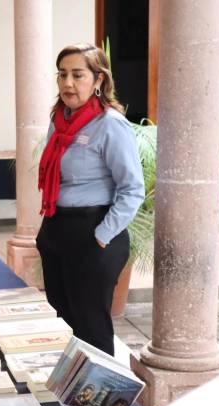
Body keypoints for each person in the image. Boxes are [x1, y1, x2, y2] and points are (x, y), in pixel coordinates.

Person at [36, 43, 144, 356]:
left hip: (93, 232)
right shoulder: (59, 120)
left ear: (98, 80)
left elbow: (132, 188)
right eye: (62, 75)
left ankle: (102, 403)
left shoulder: (110, 124)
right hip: (57, 228)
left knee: (92, 327)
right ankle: (75, 395)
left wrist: (101, 236)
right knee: (65, 317)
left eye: (78, 75)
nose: (68, 83)